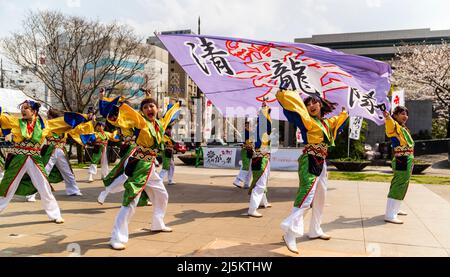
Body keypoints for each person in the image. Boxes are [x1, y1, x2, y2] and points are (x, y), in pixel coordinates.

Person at [276, 87, 348, 254]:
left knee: (321, 198)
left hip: (321, 161)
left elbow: (338, 124)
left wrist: (345, 112)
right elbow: (292, 110)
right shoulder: (306, 120)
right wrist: (284, 93)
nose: (312, 105)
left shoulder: (325, 123)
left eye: (315, 101)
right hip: (310, 160)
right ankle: (290, 233)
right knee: (306, 195)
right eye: (308, 103)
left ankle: (315, 230)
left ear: (321, 104)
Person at [104, 94, 180, 250]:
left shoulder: (159, 123)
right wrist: (116, 109)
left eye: (151, 106)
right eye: (145, 107)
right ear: (142, 112)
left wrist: (177, 104)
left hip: (150, 165)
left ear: (157, 109)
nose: (149, 109)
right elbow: (123, 118)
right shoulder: (140, 122)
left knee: (162, 195)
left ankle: (157, 224)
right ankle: (116, 237)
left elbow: (168, 116)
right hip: (139, 165)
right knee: (131, 200)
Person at [0, 101, 91, 223]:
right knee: (8, 186)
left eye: (26, 108)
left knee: (44, 186)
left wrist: (85, 117)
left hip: (35, 158)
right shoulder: (16, 122)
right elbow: (2, 118)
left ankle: (54, 214)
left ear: (34, 111)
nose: (23, 110)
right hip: (18, 158)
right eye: (22, 108)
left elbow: (64, 121)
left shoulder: (45, 125)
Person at [383, 106, 413, 224]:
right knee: (399, 183)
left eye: (406, 114)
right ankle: (390, 214)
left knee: (403, 183)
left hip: (407, 158)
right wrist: (387, 117)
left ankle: (396, 208)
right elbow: (389, 126)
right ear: (395, 115)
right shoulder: (393, 126)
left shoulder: (402, 128)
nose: (405, 116)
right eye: (402, 113)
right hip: (402, 158)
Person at [246, 101, 272, 218]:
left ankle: (263, 202)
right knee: (260, 183)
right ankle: (252, 208)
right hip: (261, 158)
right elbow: (267, 124)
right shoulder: (261, 128)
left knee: (262, 181)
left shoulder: (258, 129)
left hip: (261, 157)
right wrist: (264, 109)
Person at [233, 120, 253, 189]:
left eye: (249, 125)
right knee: (245, 166)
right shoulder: (245, 133)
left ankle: (246, 183)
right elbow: (242, 143)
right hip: (245, 151)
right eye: (247, 125)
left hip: (251, 151)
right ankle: (237, 181)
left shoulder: (252, 132)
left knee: (250, 168)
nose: (248, 126)